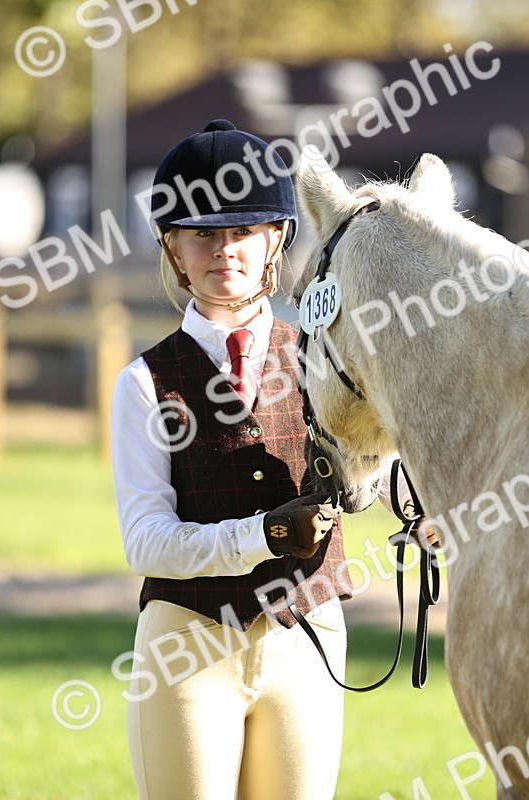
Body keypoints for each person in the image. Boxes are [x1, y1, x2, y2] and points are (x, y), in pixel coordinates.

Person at [111, 119, 354, 800]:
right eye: (204, 235)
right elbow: (147, 541)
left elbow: (375, 470)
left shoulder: (323, 357)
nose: (225, 251)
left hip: (306, 635)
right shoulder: (142, 382)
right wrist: (266, 536)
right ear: (173, 248)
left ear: (276, 237)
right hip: (188, 644)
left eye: (242, 232)